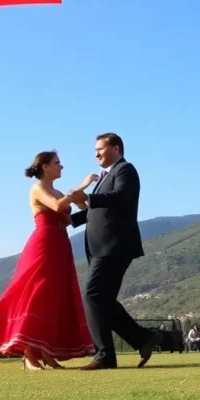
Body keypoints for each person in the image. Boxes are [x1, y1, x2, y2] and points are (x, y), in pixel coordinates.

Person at [0, 151, 96, 370]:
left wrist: (85, 204)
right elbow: (57, 206)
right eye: (57, 163)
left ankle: (44, 350)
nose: (61, 167)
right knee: (36, 292)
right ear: (45, 167)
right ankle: (29, 353)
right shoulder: (37, 188)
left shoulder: (59, 192)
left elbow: (66, 219)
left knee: (53, 296)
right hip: (44, 243)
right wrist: (83, 185)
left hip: (61, 243)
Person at [67, 133, 159, 370]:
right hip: (99, 247)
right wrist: (70, 219)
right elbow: (97, 210)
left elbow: (120, 197)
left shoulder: (125, 170)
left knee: (93, 295)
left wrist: (88, 198)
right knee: (103, 299)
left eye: (100, 149)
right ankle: (142, 338)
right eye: (95, 150)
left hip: (115, 245)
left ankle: (105, 355)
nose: (96, 153)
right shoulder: (105, 176)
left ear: (116, 148)